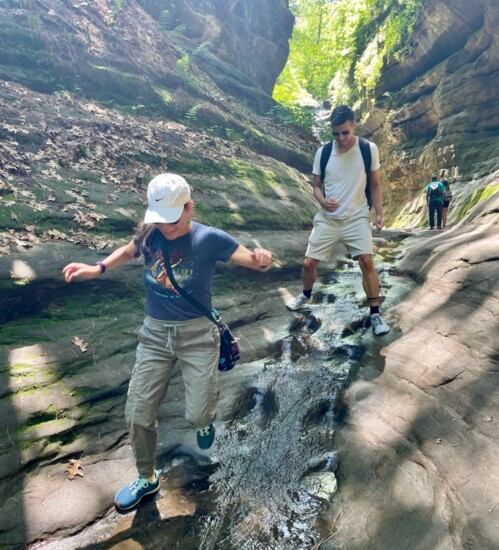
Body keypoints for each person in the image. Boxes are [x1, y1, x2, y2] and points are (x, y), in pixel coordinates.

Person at [63, 173, 272, 511]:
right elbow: (127, 251)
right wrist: (97, 267)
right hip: (155, 336)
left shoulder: (210, 238)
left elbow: (251, 260)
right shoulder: (151, 233)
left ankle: (205, 420)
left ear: (190, 207)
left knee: (197, 412)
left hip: (197, 336)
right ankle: (147, 478)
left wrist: (262, 260)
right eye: (160, 220)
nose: (166, 227)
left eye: (172, 220)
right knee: (137, 413)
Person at [286, 104, 389, 336]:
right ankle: (305, 294)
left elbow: (375, 184)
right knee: (309, 263)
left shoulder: (367, 149)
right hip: (328, 219)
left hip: (357, 216)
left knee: (366, 262)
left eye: (345, 132)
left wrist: (380, 213)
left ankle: (375, 314)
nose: (341, 138)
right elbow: (315, 186)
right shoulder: (323, 153)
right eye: (336, 133)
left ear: (353, 125)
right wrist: (322, 201)